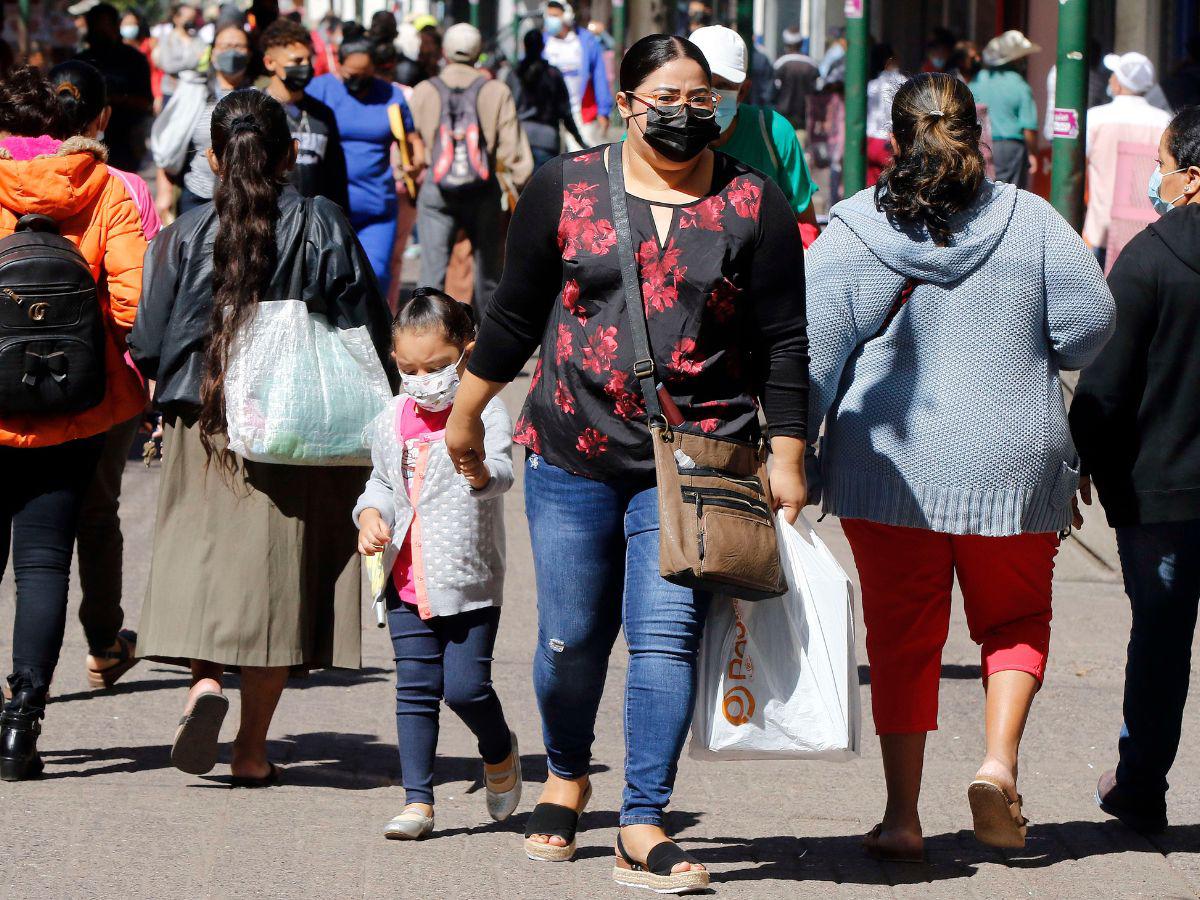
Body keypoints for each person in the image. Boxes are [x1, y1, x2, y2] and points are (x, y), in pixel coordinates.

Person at [445, 33, 808, 893]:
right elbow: (512, 315)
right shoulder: (564, 187)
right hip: (572, 449)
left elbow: (785, 342)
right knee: (571, 641)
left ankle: (643, 821)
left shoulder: (755, 201)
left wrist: (789, 452)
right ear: (625, 102)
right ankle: (568, 774)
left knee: (665, 638)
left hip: (696, 461)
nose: (685, 113)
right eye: (665, 98)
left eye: (701, 98)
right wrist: (465, 413)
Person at [805, 72, 1114, 860]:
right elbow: (1089, 324)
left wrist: (796, 452)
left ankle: (903, 817)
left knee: (903, 637)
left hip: (890, 469)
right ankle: (996, 763)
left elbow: (809, 353)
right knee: (1013, 621)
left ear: (896, 137)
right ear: (977, 132)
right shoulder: (1032, 220)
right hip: (1014, 460)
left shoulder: (853, 231)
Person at [129, 90, 391, 785]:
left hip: (202, 422)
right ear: (287, 156)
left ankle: (205, 683)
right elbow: (368, 324)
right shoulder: (321, 222)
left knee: (211, 565)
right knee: (277, 588)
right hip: (294, 424)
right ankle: (250, 749)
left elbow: (149, 342)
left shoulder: (181, 234)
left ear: (213, 158)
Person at [0, 66, 147, 779]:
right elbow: (131, 309)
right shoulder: (107, 192)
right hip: (69, 409)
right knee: (42, 566)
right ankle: (22, 725)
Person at [1070, 106, 1200, 836]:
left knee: (1160, 641)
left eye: (1162, 164)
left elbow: (1108, 383)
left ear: (1193, 176)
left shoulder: (1148, 261)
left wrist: (1082, 460)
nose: (1157, 178)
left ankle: (1141, 783)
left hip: (1161, 497)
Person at [354, 288, 521, 840]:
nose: (423, 379)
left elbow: (501, 470)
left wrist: (477, 472)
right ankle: (418, 801)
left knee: (466, 689)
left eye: (437, 367)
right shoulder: (390, 420)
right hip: (404, 581)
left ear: (465, 356)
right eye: (409, 369)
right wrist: (370, 516)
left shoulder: (482, 410)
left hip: (468, 583)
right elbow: (380, 482)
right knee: (416, 689)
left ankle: (499, 751)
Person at [48, 59, 159, 690]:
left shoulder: (12, 181)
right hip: (105, 384)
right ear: (105, 117)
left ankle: (24, 672)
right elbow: (137, 300)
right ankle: (103, 643)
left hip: (18, 382)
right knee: (97, 514)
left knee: (28, 535)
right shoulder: (125, 189)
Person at [408, 24, 531, 315]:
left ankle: (427, 339)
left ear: (444, 52)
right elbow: (515, 154)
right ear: (479, 53)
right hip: (483, 192)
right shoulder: (496, 91)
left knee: (431, 275)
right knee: (488, 276)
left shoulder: (424, 91)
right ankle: (488, 344)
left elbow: (411, 148)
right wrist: (517, 187)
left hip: (436, 192)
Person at [307, 36, 421, 296]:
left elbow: (412, 138)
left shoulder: (391, 95)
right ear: (338, 66)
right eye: (352, 74)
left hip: (376, 209)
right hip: (329, 209)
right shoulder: (319, 90)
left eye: (365, 74)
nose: (359, 81)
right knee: (328, 280)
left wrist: (416, 163)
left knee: (375, 275)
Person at [689, 25, 819, 229]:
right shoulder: (659, 131)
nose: (712, 96)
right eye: (703, 85)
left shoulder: (775, 133)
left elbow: (804, 224)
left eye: (724, 85)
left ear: (743, 91)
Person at [153, 23, 253, 220]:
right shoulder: (194, 92)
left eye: (239, 46)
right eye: (225, 46)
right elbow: (168, 148)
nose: (232, 52)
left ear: (249, 53)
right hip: (198, 200)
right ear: (213, 53)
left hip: (248, 200)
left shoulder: (258, 95)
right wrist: (164, 193)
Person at [1083, 52, 1171, 267]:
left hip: (1100, 229)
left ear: (1118, 83)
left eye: (1114, 74)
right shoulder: (1164, 122)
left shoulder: (1095, 118)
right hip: (1148, 228)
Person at [260, 18, 349, 212]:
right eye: (297, 61)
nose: (306, 66)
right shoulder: (257, 112)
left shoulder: (322, 114)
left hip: (314, 226)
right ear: (270, 62)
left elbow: (336, 177)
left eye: (309, 59)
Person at [75, 2, 153, 171]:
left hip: (125, 142)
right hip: (85, 143)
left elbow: (146, 102)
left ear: (116, 26)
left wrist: (117, 99)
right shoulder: (79, 61)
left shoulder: (134, 59)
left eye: (106, 25)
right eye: (97, 26)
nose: (101, 31)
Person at [969, 30, 1039, 188]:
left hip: (979, 143)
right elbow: (1029, 128)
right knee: (1008, 193)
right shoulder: (1019, 85)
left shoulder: (976, 81)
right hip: (1010, 148)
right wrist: (1033, 153)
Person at [542, 1, 613, 148]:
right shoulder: (543, 41)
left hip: (580, 112)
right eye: (548, 15)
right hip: (548, 113)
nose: (550, 19)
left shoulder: (586, 41)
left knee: (580, 158)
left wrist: (603, 111)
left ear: (567, 16)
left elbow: (599, 77)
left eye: (555, 15)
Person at [510, 28, 583, 171]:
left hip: (520, 139)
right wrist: (579, 139)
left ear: (524, 46)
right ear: (543, 47)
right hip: (547, 139)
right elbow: (565, 111)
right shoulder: (553, 74)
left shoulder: (513, 74)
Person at [866, 42, 906, 186]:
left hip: (870, 140)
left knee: (870, 190)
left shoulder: (870, 85)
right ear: (890, 60)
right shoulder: (903, 83)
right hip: (889, 142)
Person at [773, 27, 819, 146]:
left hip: (783, 115)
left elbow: (774, 90)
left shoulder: (780, 64)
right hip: (805, 115)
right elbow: (817, 90)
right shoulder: (811, 65)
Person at [153, 3, 203, 108]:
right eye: (188, 18)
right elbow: (169, 66)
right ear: (176, 18)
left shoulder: (198, 38)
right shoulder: (167, 39)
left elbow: (204, 61)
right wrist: (194, 60)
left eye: (193, 18)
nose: (191, 21)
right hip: (172, 92)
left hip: (194, 92)